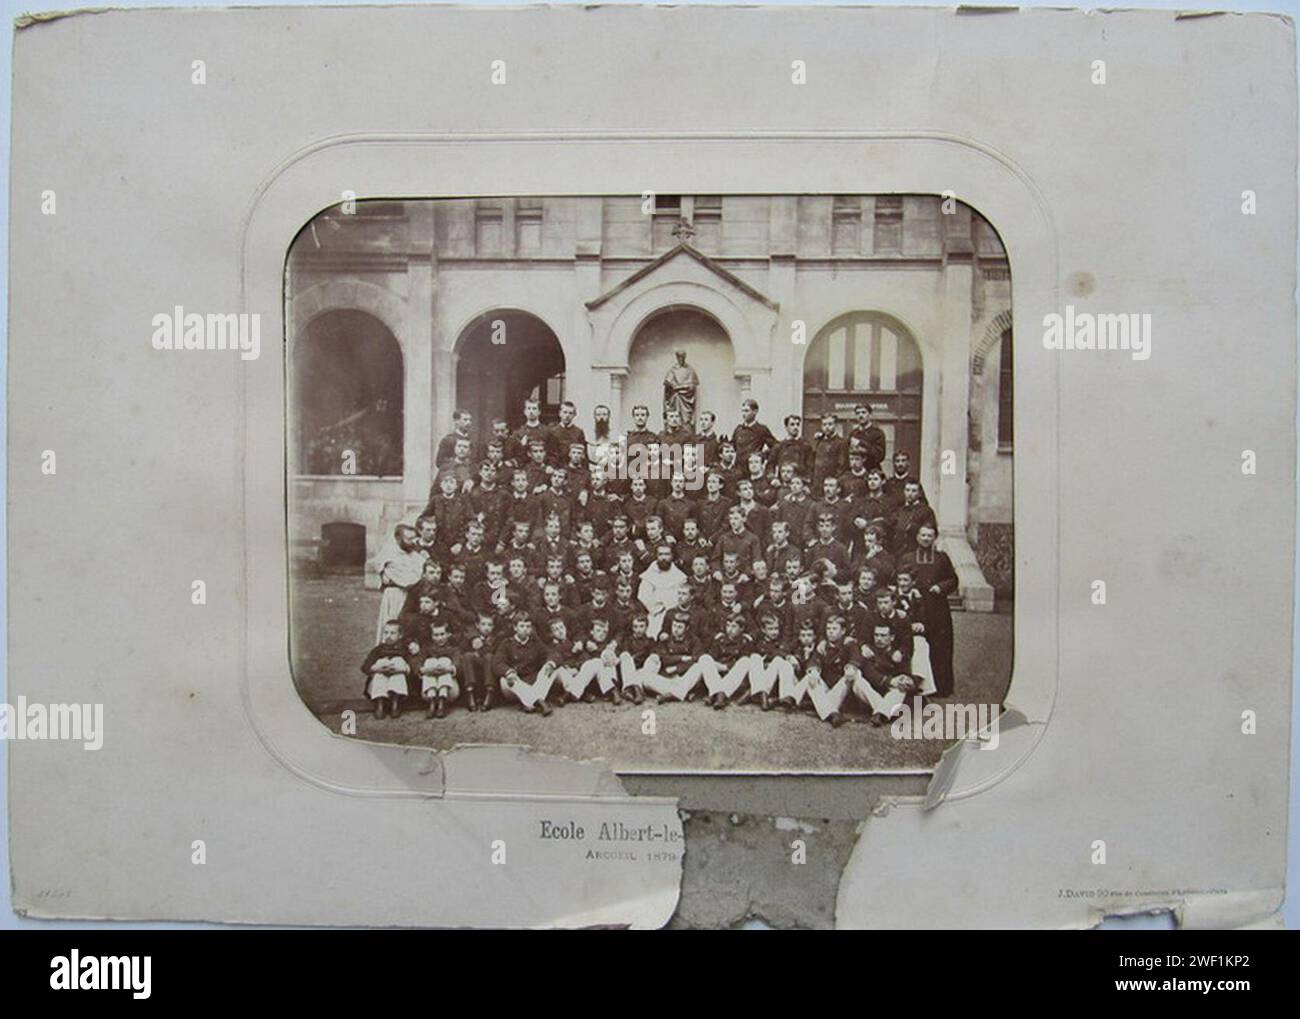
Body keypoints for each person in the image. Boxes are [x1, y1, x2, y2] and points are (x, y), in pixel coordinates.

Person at [899, 524, 958, 697]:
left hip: (937, 607)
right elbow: (899, 579)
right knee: (915, 645)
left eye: (929, 536)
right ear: (917, 537)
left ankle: (941, 686)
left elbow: (953, 579)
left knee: (940, 646)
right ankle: (916, 684)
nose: (926, 539)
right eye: (923, 535)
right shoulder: (907, 557)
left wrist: (941, 587)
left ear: (935, 538)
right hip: (914, 606)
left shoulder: (942, 558)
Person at [492, 613, 556, 715]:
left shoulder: (535, 642)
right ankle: (540, 701)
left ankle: (528, 702)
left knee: (549, 669)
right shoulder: (506, 643)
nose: (525, 629)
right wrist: (508, 672)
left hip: (534, 683)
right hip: (515, 685)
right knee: (504, 679)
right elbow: (497, 663)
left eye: (528, 626)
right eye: (522, 626)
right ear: (515, 628)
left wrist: (550, 664)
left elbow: (550, 653)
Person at [374, 524, 426, 642]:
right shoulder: (390, 557)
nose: (412, 542)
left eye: (414, 538)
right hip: (395, 596)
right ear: (398, 538)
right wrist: (419, 576)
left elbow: (424, 570)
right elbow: (407, 581)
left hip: (412, 596)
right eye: (409, 539)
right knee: (393, 626)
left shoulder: (415, 555)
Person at [411, 619, 462, 719]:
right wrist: (424, 670)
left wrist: (448, 668)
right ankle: (432, 701)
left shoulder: (454, 649)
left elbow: (459, 664)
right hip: (428, 690)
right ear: (431, 636)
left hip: (449, 691)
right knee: (430, 662)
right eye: (436, 635)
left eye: (442, 634)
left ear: (448, 634)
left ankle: (442, 702)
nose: (439, 638)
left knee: (444, 660)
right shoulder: (427, 649)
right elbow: (417, 663)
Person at [699, 615, 753, 709]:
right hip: (718, 671)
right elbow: (712, 656)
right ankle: (717, 693)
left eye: (733, 626)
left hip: (733, 673)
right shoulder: (720, 639)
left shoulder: (745, 642)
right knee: (705, 658)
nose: (730, 629)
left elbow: (743, 659)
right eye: (728, 625)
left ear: (742, 628)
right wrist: (717, 665)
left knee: (746, 661)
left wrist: (726, 667)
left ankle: (719, 695)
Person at [360, 620, 411, 720]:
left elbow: (411, 667)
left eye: (393, 633)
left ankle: (395, 703)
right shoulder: (378, 650)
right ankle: (380, 703)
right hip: (380, 680)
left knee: (398, 660)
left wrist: (400, 669)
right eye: (386, 632)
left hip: (398, 680)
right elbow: (365, 667)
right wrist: (378, 668)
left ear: (400, 635)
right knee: (381, 663)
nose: (388, 636)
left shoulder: (403, 650)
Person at [638, 544, 686, 637]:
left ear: (672, 556)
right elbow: (643, 596)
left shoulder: (679, 577)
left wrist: (663, 600)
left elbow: (679, 598)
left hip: (673, 616)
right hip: (652, 614)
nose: (663, 557)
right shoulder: (649, 575)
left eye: (667, 554)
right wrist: (659, 605)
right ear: (656, 556)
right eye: (661, 554)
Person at [731, 398, 776, 464]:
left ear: (755, 411)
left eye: (746, 411)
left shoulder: (761, 429)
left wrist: (762, 455)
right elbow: (733, 447)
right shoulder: (738, 429)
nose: (743, 414)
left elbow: (776, 447)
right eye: (742, 411)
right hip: (738, 468)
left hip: (753, 467)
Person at [663, 349, 700, 428]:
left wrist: (680, 387)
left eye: (682, 357)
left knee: (686, 419)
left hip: (686, 398)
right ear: (677, 357)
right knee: (674, 411)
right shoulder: (673, 370)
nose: (681, 358)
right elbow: (667, 382)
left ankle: (686, 426)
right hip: (675, 397)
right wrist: (673, 386)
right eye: (679, 357)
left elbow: (693, 384)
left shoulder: (690, 370)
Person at [811, 413, 848, 490]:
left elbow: (842, 466)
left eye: (830, 424)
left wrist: (834, 482)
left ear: (835, 425)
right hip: (817, 484)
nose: (827, 427)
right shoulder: (819, 441)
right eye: (824, 424)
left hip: (831, 485)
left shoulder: (841, 443)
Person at [849, 404, 886, 475]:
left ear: (870, 415)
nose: (860, 415)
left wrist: (861, 443)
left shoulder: (878, 433)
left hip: (872, 472)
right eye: (858, 413)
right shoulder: (853, 434)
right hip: (856, 473)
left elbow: (880, 456)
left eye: (863, 412)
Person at [548, 400, 587, 467]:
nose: (567, 415)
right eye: (565, 412)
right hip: (557, 468)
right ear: (560, 413)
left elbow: (583, 453)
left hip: (573, 467)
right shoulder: (553, 431)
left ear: (574, 415)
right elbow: (551, 453)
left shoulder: (579, 432)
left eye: (570, 413)